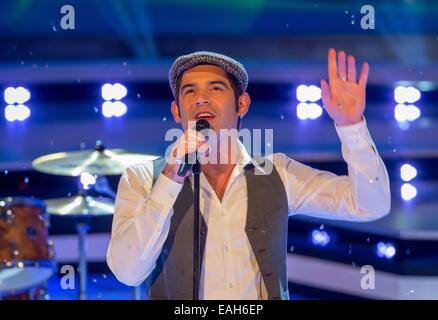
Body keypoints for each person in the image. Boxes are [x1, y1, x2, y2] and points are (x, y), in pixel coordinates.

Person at [106, 49, 391, 300]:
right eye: (189, 91)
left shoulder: (277, 173)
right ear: (176, 112)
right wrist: (170, 179)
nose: (201, 99)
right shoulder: (143, 178)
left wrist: (351, 126)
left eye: (215, 89)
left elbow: (369, 205)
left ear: (242, 105)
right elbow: (127, 273)